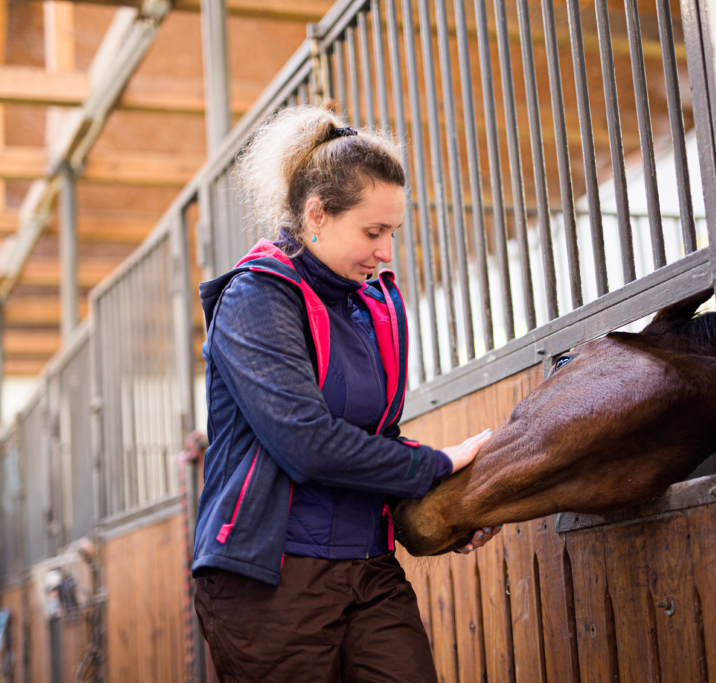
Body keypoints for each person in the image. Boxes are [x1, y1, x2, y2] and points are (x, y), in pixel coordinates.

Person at [190, 106, 497, 683]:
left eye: (392, 234)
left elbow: (376, 440)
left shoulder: (374, 306)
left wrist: (447, 507)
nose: (386, 252)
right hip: (271, 580)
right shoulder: (255, 300)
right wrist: (433, 466)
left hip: (369, 570)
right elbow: (306, 443)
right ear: (317, 216)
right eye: (372, 232)